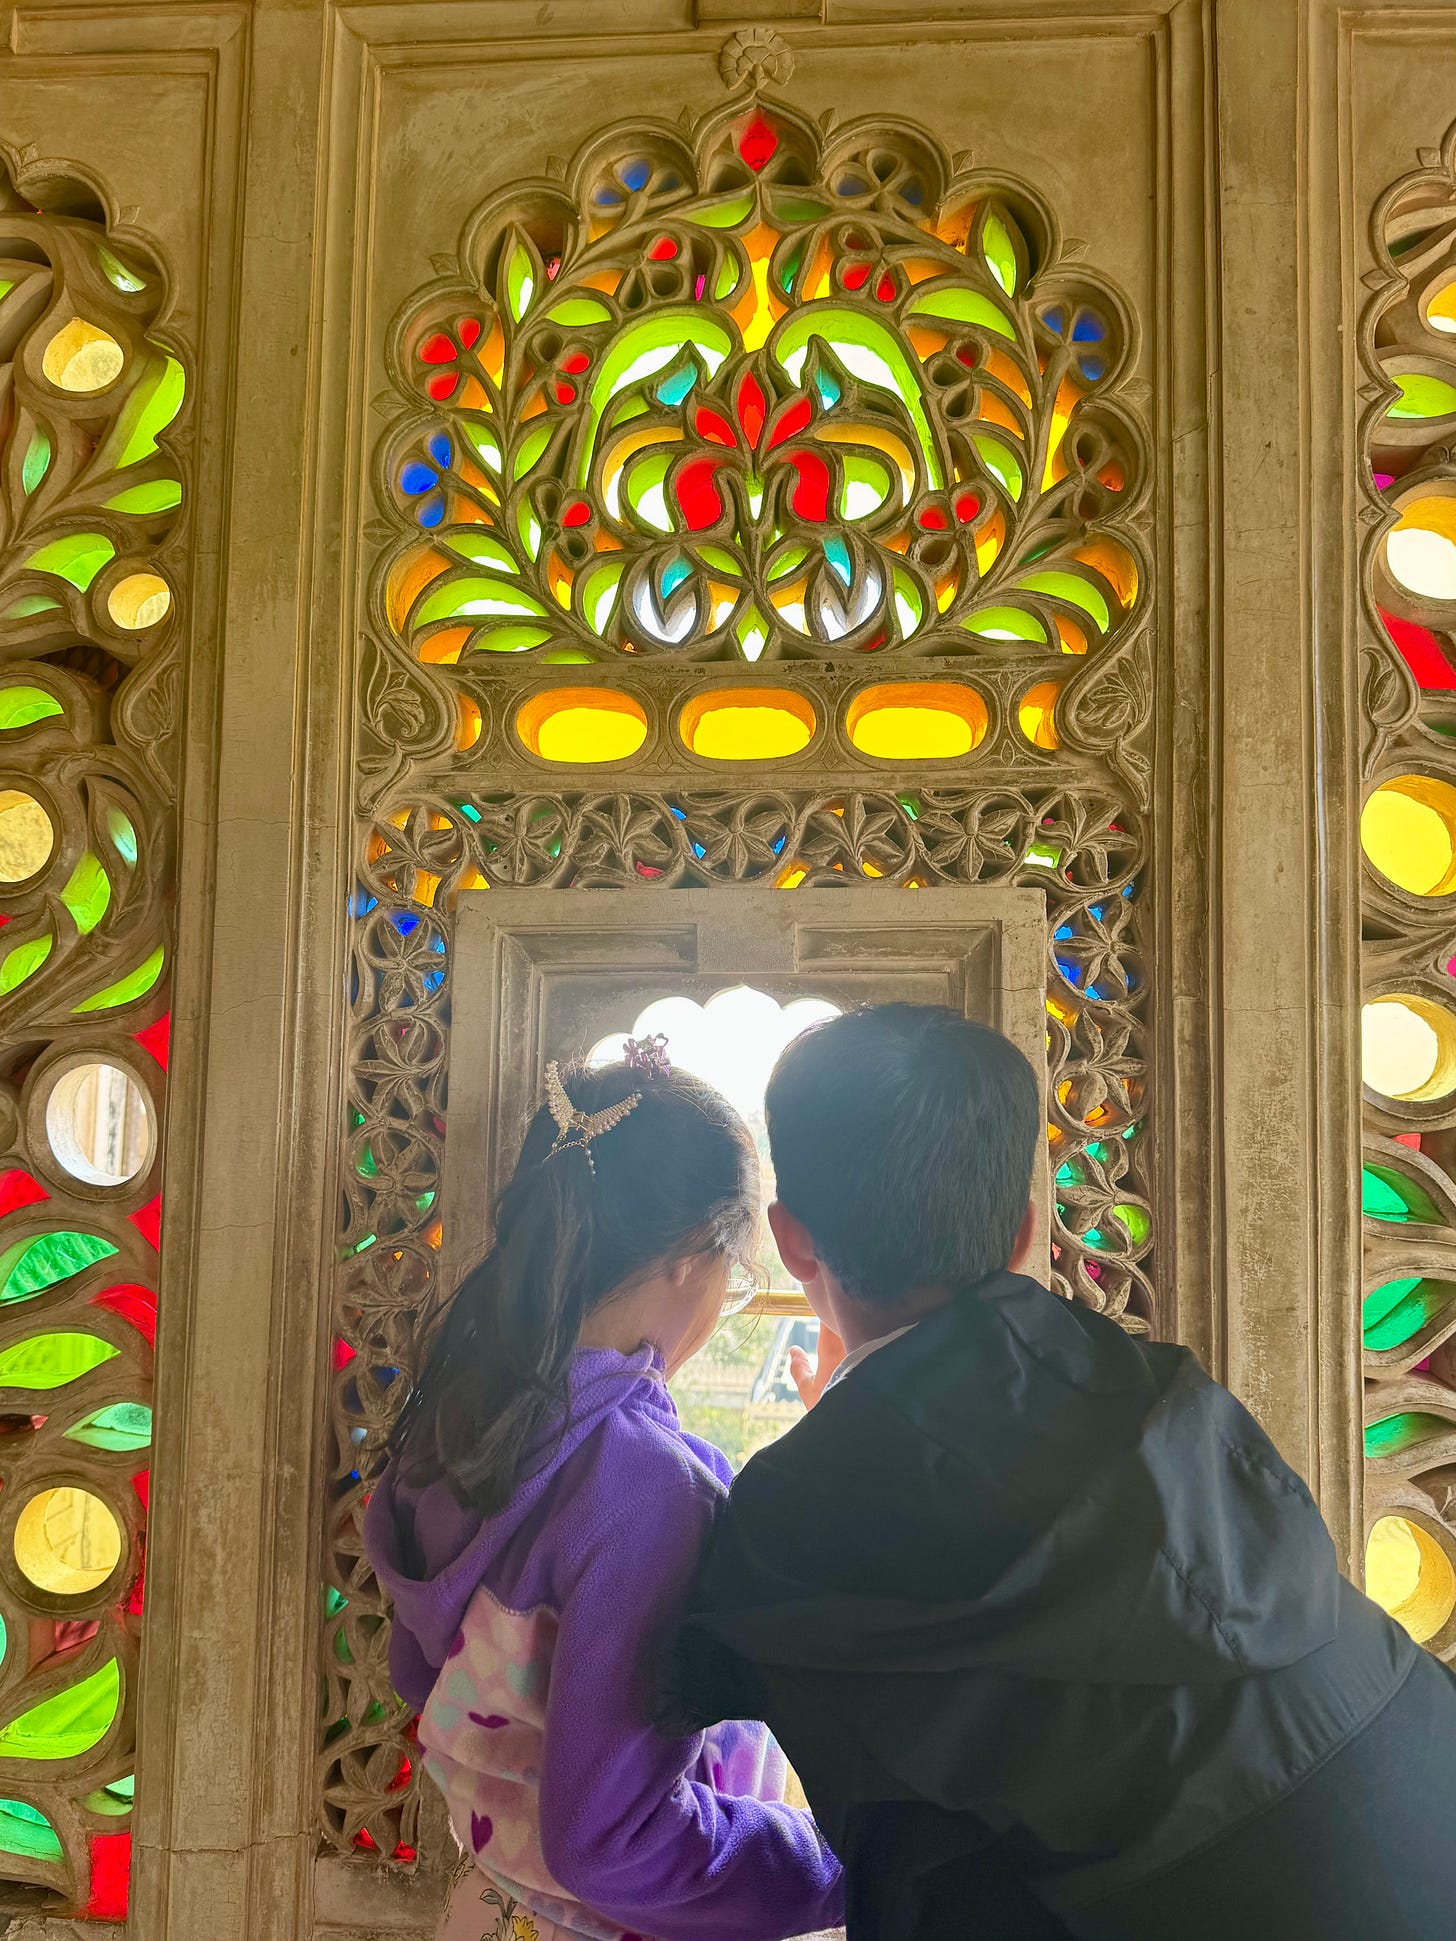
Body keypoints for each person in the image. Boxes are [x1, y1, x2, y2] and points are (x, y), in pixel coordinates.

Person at [665, 1002, 1456, 1941]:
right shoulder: (1154, 1386)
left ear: (791, 1239)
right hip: (1420, 1776)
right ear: (1026, 1233)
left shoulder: (793, 1511)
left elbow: (679, 1683)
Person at [365, 1040, 843, 1941]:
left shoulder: (460, 1420)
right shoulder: (642, 1491)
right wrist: (834, 1864)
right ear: (690, 1257)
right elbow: (611, 1843)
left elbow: (425, 1677)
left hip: (497, 1905)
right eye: (736, 1276)